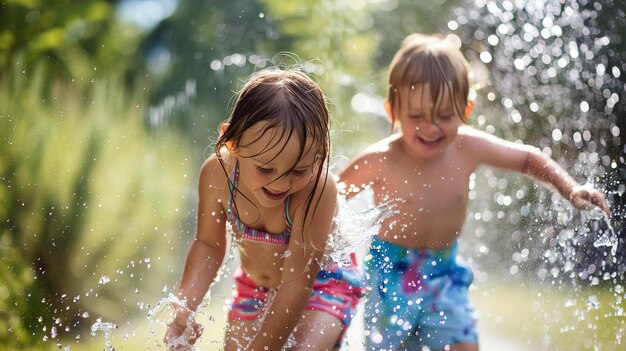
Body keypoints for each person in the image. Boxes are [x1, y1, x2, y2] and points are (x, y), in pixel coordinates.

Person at [337, 33, 611, 351]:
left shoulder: (467, 148)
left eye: (444, 116)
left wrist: (570, 188)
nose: (430, 127)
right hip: (389, 275)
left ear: (465, 110)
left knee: (466, 346)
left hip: (445, 273)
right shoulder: (380, 159)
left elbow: (525, 158)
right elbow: (331, 197)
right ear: (392, 110)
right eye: (416, 117)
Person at [164, 68, 364, 351]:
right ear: (232, 143)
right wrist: (184, 309)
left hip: (321, 283)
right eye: (266, 169)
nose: (282, 183)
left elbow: (297, 282)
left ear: (318, 155)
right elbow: (208, 245)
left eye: (298, 170)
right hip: (255, 284)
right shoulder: (218, 175)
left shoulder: (317, 189)